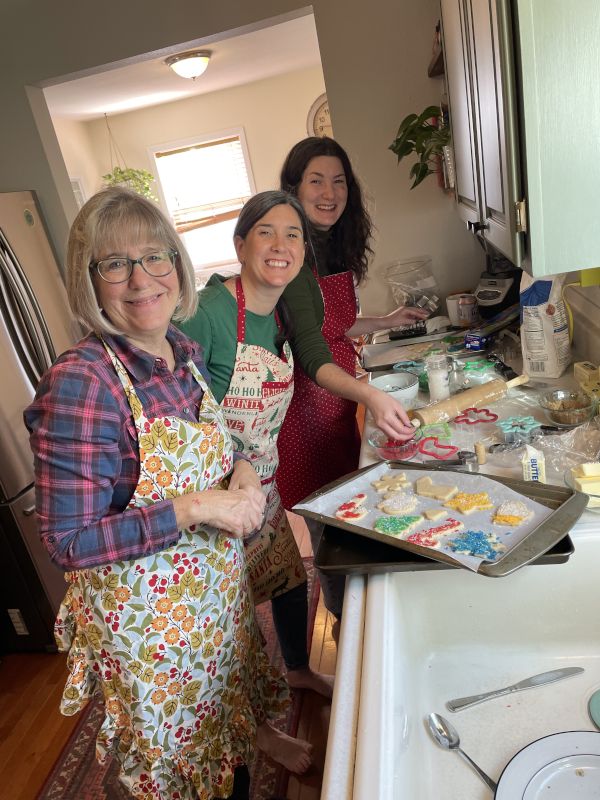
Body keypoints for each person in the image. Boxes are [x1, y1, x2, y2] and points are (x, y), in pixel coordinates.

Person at [24, 187, 306, 800]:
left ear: (177, 267)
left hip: (210, 599)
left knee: (226, 709)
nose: (141, 278)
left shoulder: (180, 352)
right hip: (152, 634)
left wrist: (244, 473)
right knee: (175, 773)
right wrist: (197, 507)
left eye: (156, 257)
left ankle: (249, 740)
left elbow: (218, 446)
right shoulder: (83, 384)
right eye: (115, 263)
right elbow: (68, 542)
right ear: (89, 282)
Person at [180, 191, 333, 705]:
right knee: (229, 612)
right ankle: (247, 721)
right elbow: (169, 401)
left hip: (261, 479)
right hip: (213, 493)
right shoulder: (210, 312)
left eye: (293, 234)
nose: (280, 245)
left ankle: (295, 669)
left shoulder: (280, 309)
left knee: (287, 577)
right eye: (266, 231)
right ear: (240, 243)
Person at [277, 136, 429, 620]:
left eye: (338, 181)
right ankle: (347, 623)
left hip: (335, 403)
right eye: (316, 180)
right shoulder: (293, 253)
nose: (329, 192)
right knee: (327, 527)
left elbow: (334, 326)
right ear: (293, 190)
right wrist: (371, 395)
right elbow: (311, 350)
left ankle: (354, 616)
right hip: (303, 415)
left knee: (343, 515)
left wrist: (385, 321)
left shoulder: (328, 247)